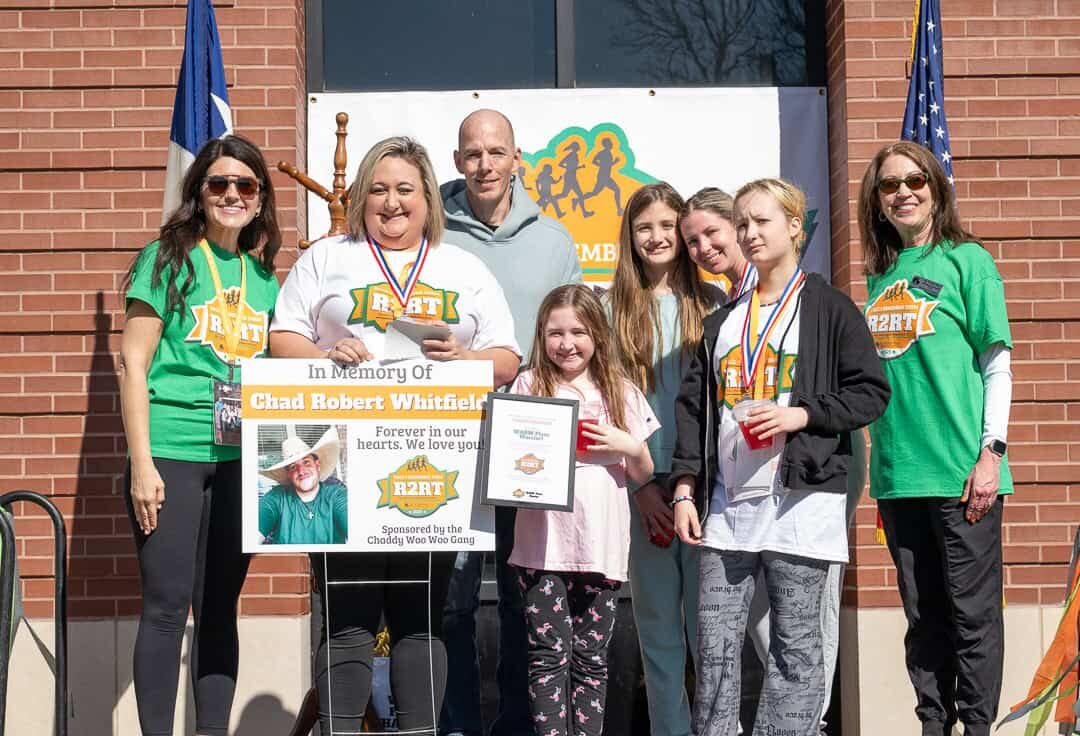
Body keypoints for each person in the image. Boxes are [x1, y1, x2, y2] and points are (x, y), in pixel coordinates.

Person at [269, 135, 520, 735]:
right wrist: (325, 355)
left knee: (421, 619)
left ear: (428, 198)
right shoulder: (328, 258)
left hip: (435, 469)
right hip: (343, 466)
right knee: (349, 620)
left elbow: (507, 358)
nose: (391, 202)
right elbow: (281, 338)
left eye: (405, 189)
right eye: (378, 189)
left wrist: (465, 358)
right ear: (361, 196)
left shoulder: (463, 266)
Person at [670, 178, 889, 736]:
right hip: (728, 509)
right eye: (742, 223)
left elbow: (871, 392)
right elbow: (694, 411)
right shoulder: (723, 323)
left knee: (795, 648)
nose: (750, 232)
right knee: (714, 648)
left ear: (794, 226)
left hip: (800, 504)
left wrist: (802, 414)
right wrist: (685, 489)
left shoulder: (829, 308)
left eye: (761, 221)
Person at [119, 134, 282, 736]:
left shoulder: (264, 278)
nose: (232, 194)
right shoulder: (165, 258)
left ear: (260, 199)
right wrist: (142, 464)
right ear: (200, 191)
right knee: (166, 609)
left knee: (218, 612)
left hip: (242, 458)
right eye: (219, 183)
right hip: (171, 453)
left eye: (246, 185)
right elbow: (133, 363)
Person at [858, 141, 1013, 736]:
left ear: (935, 187)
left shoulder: (967, 260)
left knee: (972, 616)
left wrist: (991, 454)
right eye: (889, 185)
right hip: (899, 474)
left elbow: (997, 364)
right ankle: (932, 724)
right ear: (877, 201)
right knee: (922, 620)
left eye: (915, 180)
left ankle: (976, 727)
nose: (903, 193)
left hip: (962, 471)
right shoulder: (879, 276)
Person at [440, 108, 582, 736]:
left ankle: (519, 723)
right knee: (454, 597)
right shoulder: (431, 233)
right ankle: (458, 722)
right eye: (473, 154)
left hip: (529, 437)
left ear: (517, 158)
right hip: (448, 435)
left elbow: (577, 338)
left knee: (527, 591)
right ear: (457, 161)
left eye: (496, 152)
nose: (485, 165)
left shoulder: (553, 241)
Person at [509, 283, 658, 736]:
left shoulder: (621, 391)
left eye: (578, 332)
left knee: (592, 659)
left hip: (601, 547)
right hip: (542, 546)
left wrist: (629, 445)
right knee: (547, 656)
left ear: (598, 334)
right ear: (541, 335)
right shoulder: (528, 384)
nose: (566, 343)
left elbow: (643, 473)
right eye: (555, 333)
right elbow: (509, 458)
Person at [605, 183, 719, 736]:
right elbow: (604, 405)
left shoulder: (715, 305)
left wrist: (698, 483)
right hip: (642, 489)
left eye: (667, 226)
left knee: (710, 629)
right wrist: (640, 488)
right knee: (657, 631)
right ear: (629, 236)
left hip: (705, 488)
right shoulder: (610, 310)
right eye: (643, 227)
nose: (655, 237)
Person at [258, 429, 348, 545]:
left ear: (317, 465)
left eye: (306, 462)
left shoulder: (337, 494)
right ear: (289, 474)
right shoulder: (277, 497)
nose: (301, 471)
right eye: (293, 467)